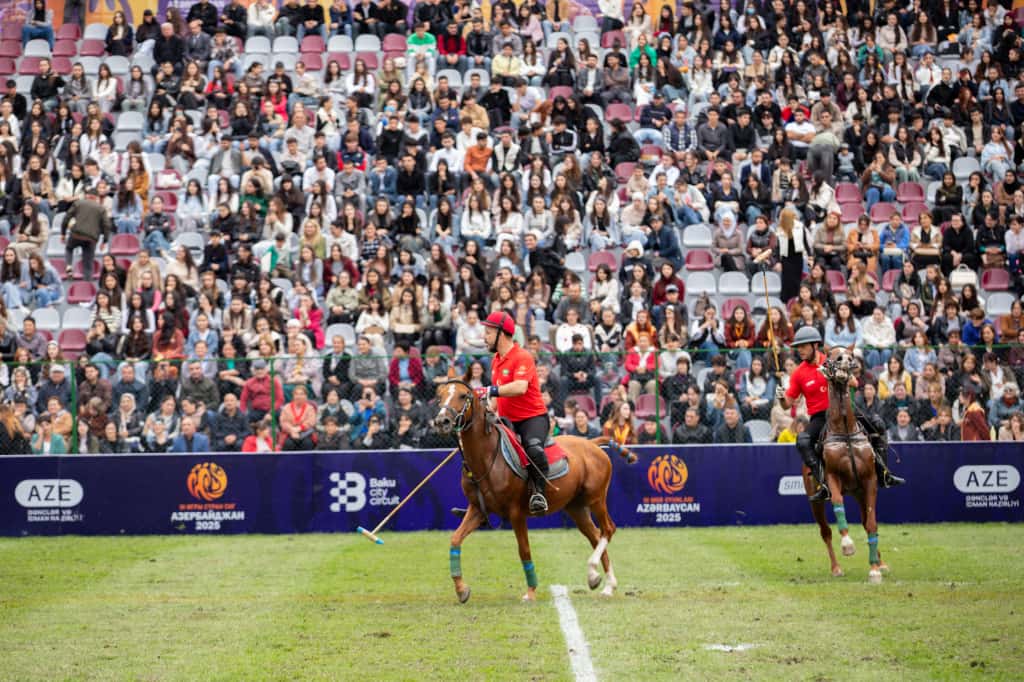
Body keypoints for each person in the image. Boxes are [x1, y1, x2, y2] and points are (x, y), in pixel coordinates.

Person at [777, 327, 905, 502]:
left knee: (878, 424)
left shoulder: (831, 359)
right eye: (797, 347)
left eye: (803, 346)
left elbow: (854, 382)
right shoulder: (799, 372)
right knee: (803, 441)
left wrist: (835, 374)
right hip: (820, 417)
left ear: (815, 345)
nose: (799, 350)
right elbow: (787, 405)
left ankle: (883, 473)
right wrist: (780, 397)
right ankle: (823, 484)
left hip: (845, 410)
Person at [478, 311, 550, 514]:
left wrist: (489, 390)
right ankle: (482, 501)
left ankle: (539, 494)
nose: (485, 337)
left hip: (532, 418)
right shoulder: (496, 360)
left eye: (489, 332)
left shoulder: (522, 356)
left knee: (533, 448)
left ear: (502, 333)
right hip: (507, 419)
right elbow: (497, 397)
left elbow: (520, 387)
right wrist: (488, 406)